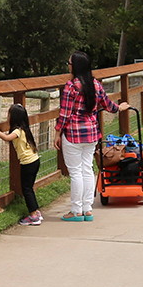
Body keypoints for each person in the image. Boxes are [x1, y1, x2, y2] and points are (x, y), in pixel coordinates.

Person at [55, 51, 126, 221]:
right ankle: (87, 209)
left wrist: (58, 133)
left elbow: (65, 114)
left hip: (73, 134)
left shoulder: (71, 86)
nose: (68, 66)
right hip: (92, 134)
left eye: (69, 63)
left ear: (75, 67)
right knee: (87, 169)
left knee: (75, 173)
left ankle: (75, 210)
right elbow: (109, 106)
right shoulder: (96, 85)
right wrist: (120, 107)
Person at [0, 104, 43, 225]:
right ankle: (36, 211)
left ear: (14, 117)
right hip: (35, 160)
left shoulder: (17, 131)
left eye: (9, 114)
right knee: (29, 188)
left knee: (26, 189)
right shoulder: (25, 129)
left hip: (28, 163)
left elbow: (7, 138)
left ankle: (33, 216)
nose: (7, 117)